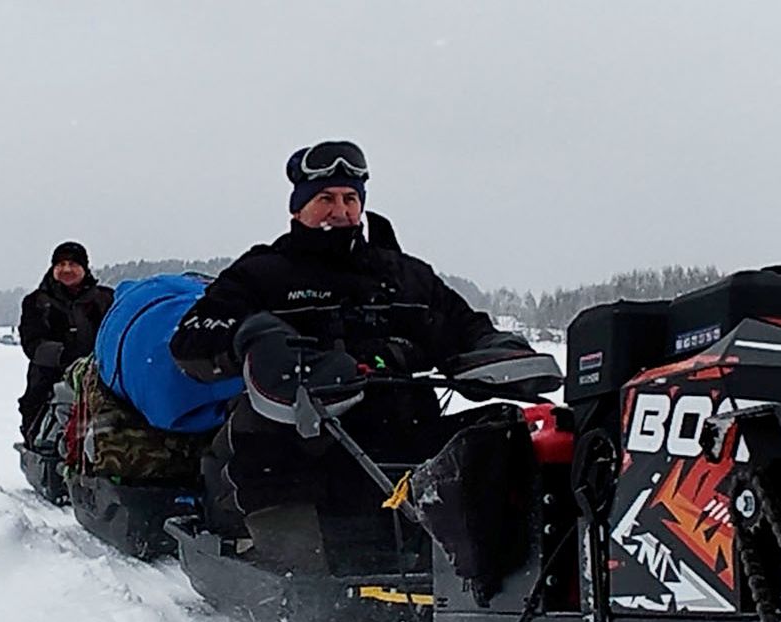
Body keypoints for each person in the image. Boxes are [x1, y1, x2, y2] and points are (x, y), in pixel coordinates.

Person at [170, 139, 532, 539]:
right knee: (271, 462)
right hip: (297, 448)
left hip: (404, 442)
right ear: (298, 207)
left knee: (505, 432)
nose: (340, 211)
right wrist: (252, 338)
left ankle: (498, 565)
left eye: (350, 198)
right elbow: (190, 339)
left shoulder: (406, 277)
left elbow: (466, 327)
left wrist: (497, 351)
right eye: (325, 198)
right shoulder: (261, 274)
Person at [17, 241, 114, 442]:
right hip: (48, 379)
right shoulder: (36, 302)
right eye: (60, 264)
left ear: (84, 268)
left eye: (73, 264)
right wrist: (66, 354)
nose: (66, 269)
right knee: (41, 432)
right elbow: (32, 343)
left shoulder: (105, 300)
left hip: (101, 377)